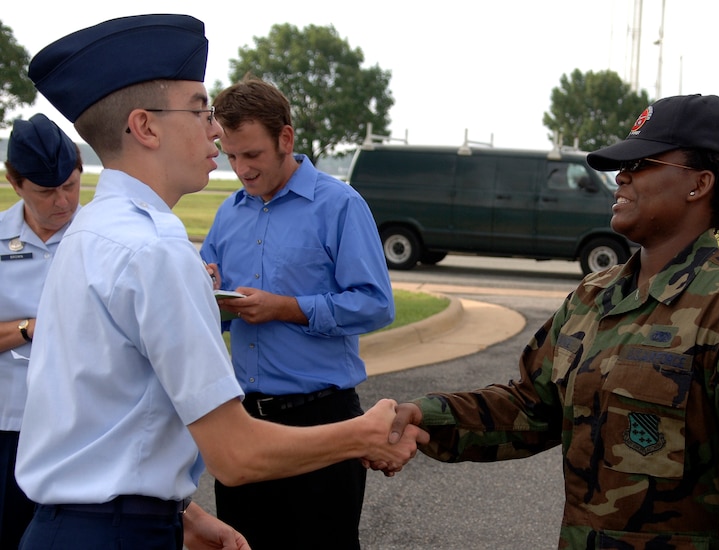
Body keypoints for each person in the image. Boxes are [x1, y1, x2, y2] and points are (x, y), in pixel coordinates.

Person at [14, 14, 425, 550]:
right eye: (199, 109)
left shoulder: (91, 229)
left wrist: (182, 515)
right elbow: (235, 455)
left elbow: (102, 417)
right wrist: (364, 434)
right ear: (145, 126)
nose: (214, 129)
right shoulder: (154, 250)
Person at [383, 94, 719, 548]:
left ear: (700, 184)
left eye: (642, 162)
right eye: (622, 163)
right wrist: (424, 416)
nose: (622, 176)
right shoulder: (594, 295)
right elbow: (530, 408)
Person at [199, 77, 395, 549]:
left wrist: (288, 309)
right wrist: (207, 295)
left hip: (322, 417)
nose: (241, 169)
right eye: (230, 156)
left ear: (285, 139)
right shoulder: (229, 214)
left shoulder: (340, 205)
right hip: (245, 422)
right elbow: (213, 313)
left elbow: (375, 304)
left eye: (252, 155)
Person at [0, 113, 82, 549]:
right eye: (46, 192)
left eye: (70, 185)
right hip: (9, 428)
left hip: (83, 429)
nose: (63, 202)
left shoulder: (104, 239)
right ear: (15, 182)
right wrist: (33, 326)